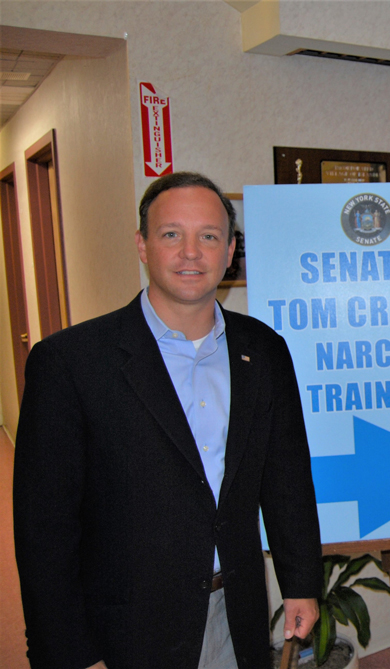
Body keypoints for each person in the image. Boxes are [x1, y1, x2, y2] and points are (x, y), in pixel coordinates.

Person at [14, 172, 323, 669]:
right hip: (124, 627)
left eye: (209, 236)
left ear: (230, 251)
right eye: (172, 234)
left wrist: (302, 584)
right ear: (142, 245)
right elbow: (44, 530)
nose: (191, 253)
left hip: (233, 610)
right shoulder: (70, 363)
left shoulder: (263, 351)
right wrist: (67, 653)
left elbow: (285, 477)